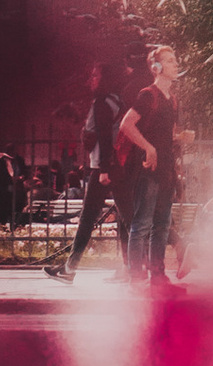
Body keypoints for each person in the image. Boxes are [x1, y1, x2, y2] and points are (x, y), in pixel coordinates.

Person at [45, 57, 155, 282]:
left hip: (105, 168)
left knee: (100, 219)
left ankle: (75, 269)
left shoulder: (102, 103)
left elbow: (105, 137)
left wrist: (104, 168)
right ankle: (133, 268)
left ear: (105, 78)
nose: (91, 80)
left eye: (95, 76)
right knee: (127, 218)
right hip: (118, 166)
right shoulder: (118, 101)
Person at [124, 45, 182, 283]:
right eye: (170, 61)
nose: (176, 65)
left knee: (162, 225)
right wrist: (148, 148)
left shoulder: (173, 100)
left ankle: (157, 274)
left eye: (175, 60)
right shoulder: (148, 95)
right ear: (156, 67)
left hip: (167, 169)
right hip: (149, 169)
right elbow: (126, 125)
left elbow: (167, 133)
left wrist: (180, 137)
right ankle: (136, 275)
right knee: (142, 224)